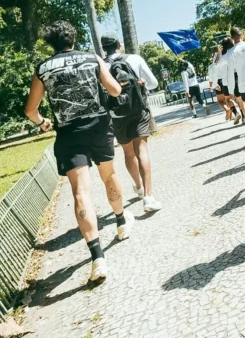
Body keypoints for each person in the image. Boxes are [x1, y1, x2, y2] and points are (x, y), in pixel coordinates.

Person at [24, 21, 130, 284]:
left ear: (51, 42)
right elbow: (115, 89)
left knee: (80, 192)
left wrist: (43, 122)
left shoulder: (43, 68)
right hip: (98, 126)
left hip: (69, 133)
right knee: (109, 175)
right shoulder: (91, 58)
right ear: (73, 38)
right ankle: (121, 222)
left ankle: (97, 257)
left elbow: (30, 110)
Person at [101, 35, 162, 214]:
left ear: (104, 48)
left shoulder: (101, 66)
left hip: (116, 115)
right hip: (138, 110)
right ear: (119, 45)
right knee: (141, 150)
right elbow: (153, 83)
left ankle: (139, 186)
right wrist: (140, 84)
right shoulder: (134, 59)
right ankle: (149, 197)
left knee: (128, 153)